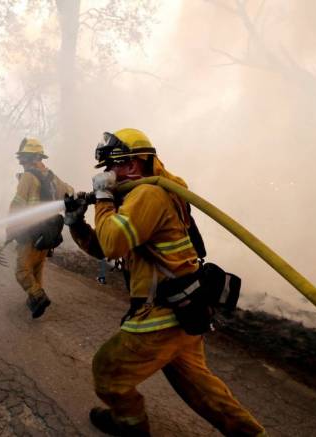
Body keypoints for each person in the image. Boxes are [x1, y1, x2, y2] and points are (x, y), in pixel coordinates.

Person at [64, 128, 265, 436]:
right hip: (182, 310)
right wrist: (78, 223)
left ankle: (129, 424)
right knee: (203, 391)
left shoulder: (149, 194)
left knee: (108, 371)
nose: (106, 175)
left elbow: (114, 242)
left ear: (131, 165)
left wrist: (103, 198)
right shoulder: (141, 197)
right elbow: (105, 247)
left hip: (162, 316)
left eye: (110, 167)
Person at [7, 137, 73, 318]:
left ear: (35, 158)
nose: (21, 162)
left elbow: (17, 206)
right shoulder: (51, 177)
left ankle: (38, 297)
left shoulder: (28, 177)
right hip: (48, 233)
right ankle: (34, 300)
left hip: (30, 233)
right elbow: (70, 191)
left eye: (25, 158)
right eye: (21, 158)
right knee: (36, 267)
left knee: (22, 271)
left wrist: (10, 230)